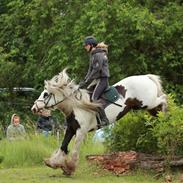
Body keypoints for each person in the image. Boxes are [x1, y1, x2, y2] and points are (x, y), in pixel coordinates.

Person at [79, 36, 110, 126]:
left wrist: (87, 81)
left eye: (86, 45)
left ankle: (104, 119)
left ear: (91, 45)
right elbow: (90, 70)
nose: (85, 47)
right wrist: (84, 80)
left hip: (102, 80)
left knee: (94, 98)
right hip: (97, 80)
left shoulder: (98, 55)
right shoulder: (93, 55)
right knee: (87, 94)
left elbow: (96, 70)